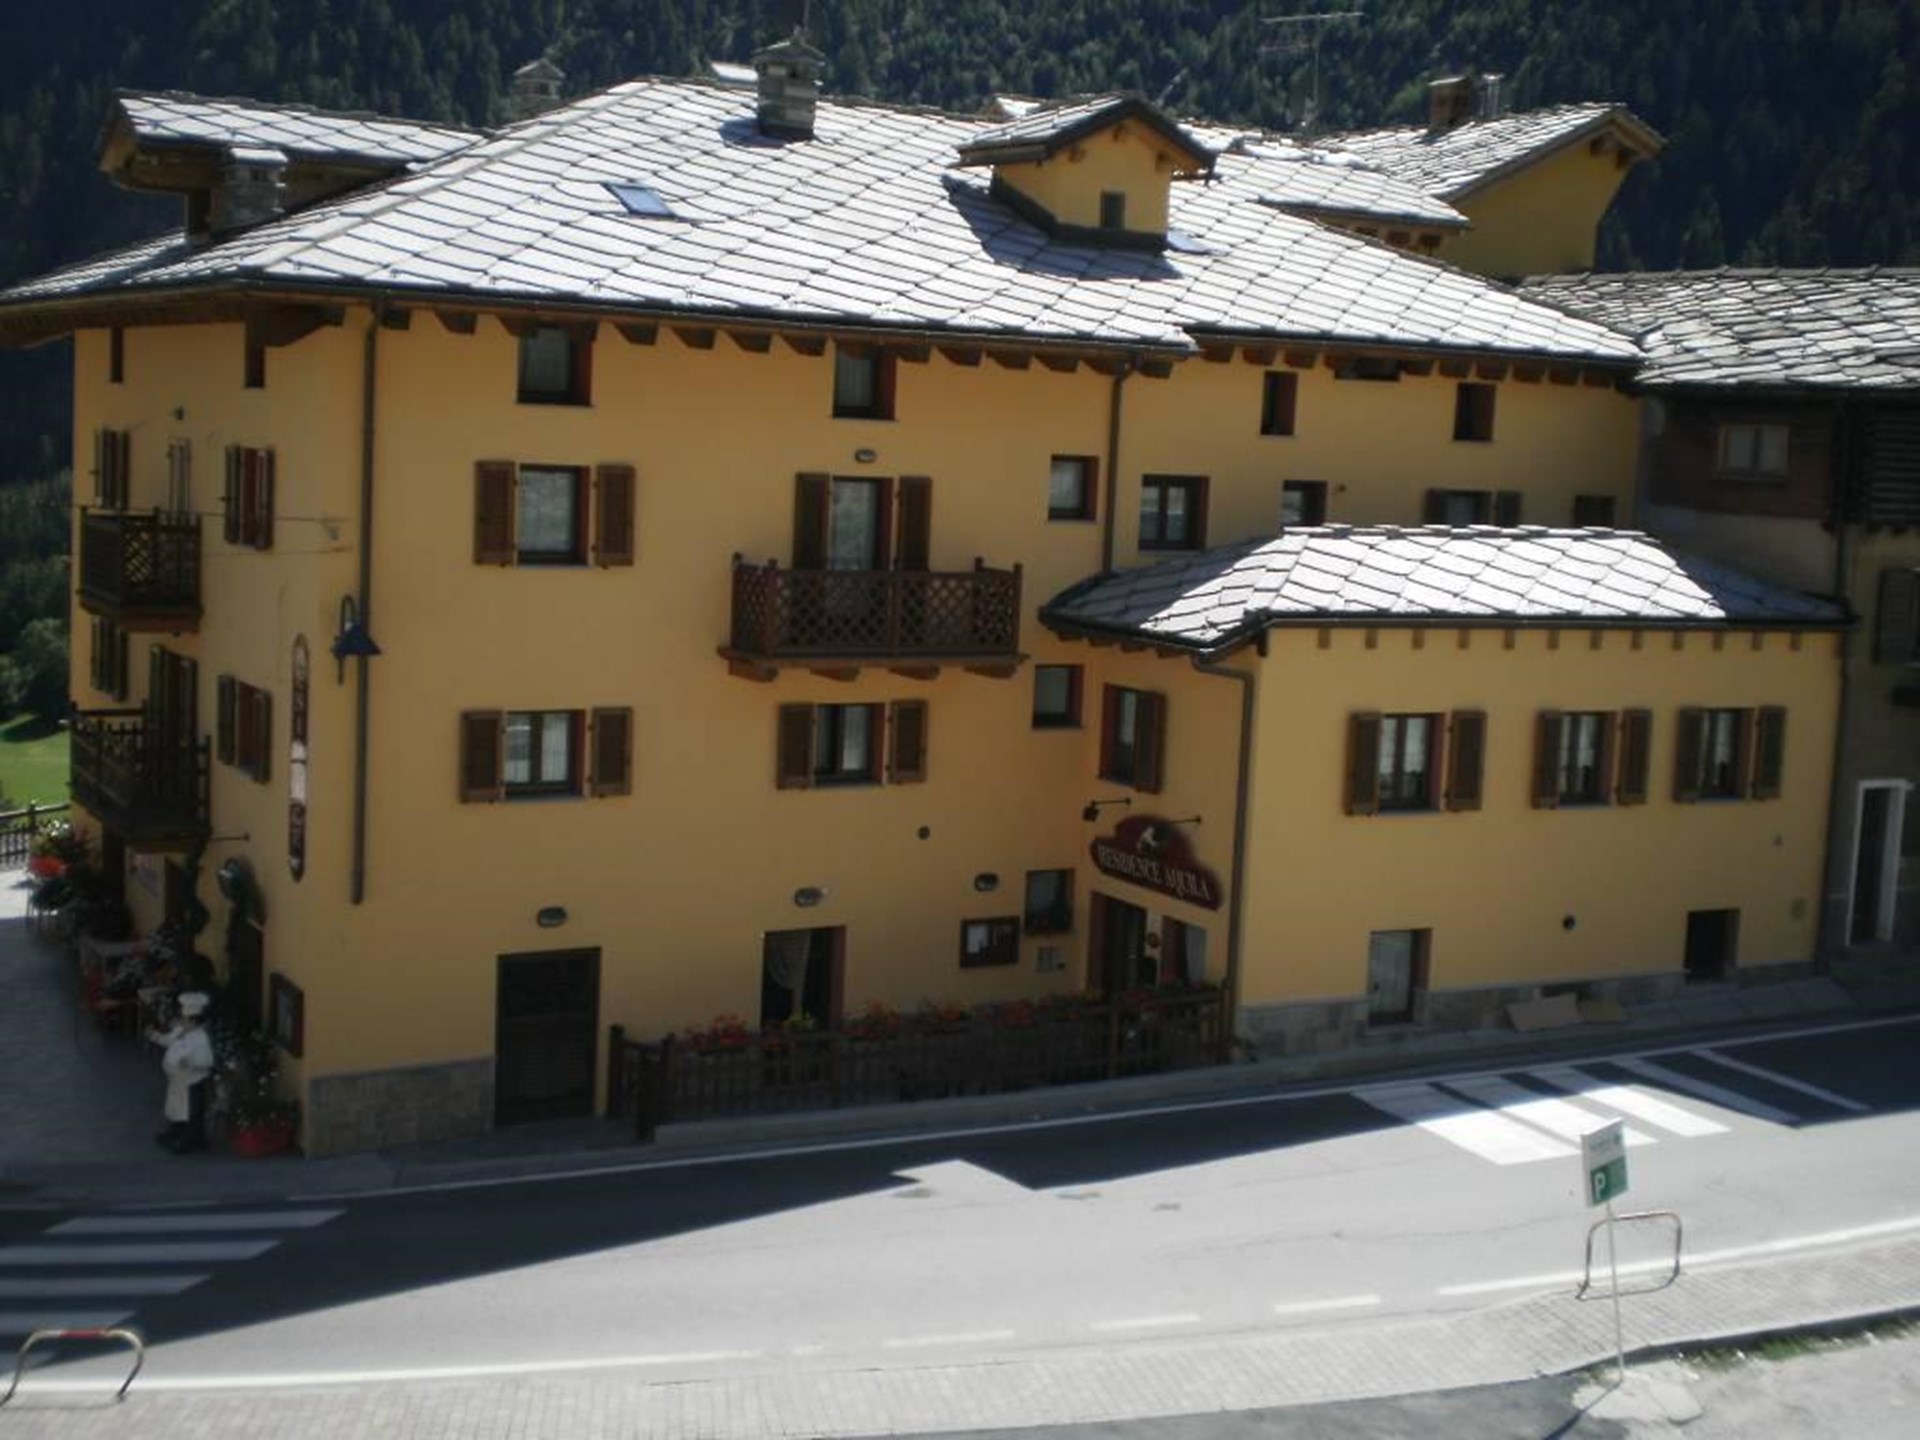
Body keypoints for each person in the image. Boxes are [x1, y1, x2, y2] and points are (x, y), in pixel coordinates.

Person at [148, 992, 214, 1153]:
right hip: (177, 1082)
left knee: (190, 1113)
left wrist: (190, 1062)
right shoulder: (180, 1031)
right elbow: (167, 1040)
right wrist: (154, 1036)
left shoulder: (201, 1038)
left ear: (194, 1021)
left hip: (191, 1082)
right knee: (177, 1110)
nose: (180, 1022)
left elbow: (207, 1061)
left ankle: (192, 1140)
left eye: (184, 1019)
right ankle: (175, 1133)